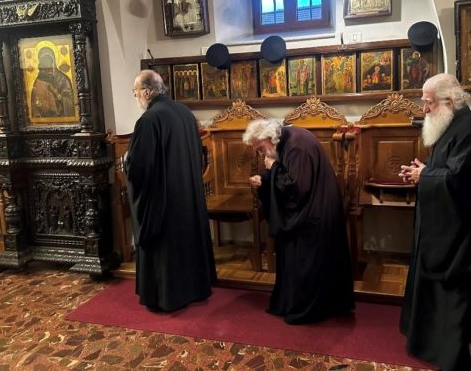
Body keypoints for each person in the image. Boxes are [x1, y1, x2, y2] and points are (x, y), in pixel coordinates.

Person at [398, 73, 471, 370]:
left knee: (451, 295)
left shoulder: (470, 130)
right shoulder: (453, 124)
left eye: (428, 102)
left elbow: (460, 181)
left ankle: (446, 352)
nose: (424, 108)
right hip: (445, 226)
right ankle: (427, 342)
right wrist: (425, 170)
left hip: (463, 236)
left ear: (449, 102)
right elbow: (448, 168)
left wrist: (425, 175)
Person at [243, 119, 355, 325]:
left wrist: (273, 168)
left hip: (314, 215)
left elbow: (296, 189)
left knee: (305, 262)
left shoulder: (296, 147)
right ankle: (293, 302)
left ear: (269, 138)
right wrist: (265, 180)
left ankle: (307, 308)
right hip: (311, 207)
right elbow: (289, 178)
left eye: (260, 148)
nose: (261, 154)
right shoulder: (287, 140)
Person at [125, 69, 216, 312]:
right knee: (186, 243)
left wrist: (126, 164)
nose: (136, 97)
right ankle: (194, 289)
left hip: (163, 200)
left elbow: (139, 167)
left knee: (166, 249)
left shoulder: (149, 120)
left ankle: (168, 297)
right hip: (187, 193)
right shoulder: (184, 112)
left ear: (147, 92)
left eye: (136, 92)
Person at [31, 46, 75, 118]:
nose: (46, 63)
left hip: (61, 117)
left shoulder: (62, 78)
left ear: (53, 61)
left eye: (48, 59)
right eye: (43, 60)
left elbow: (69, 102)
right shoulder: (37, 80)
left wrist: (57, 94)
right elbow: (34, 104)